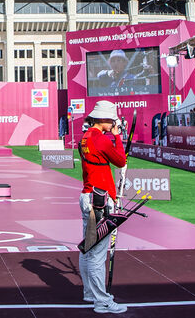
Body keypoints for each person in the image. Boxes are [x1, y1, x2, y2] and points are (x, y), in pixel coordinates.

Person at [77, 101, 128, 314]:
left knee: (88, 248)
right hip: (100, 199)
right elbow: (121, 160)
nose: (114, 123)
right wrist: (116, 137)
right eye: (111, 120)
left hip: (88, 195)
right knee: (97, 253)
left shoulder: (85, 137)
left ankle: (90, 293)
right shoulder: (101, 140)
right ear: (102, 119)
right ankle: (102, 300)